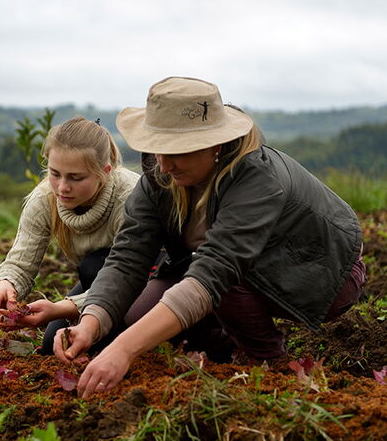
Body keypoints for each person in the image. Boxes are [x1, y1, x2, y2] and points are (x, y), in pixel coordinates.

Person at [54, 77, 366, 397]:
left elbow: (215, 271)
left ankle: (270, 364)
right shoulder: (159, 171)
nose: (164, 164)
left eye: (177, 152)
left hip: (321, 274)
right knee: (138, 317)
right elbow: (129, 255)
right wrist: (90, 323)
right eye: (157, 148)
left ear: (215, 144)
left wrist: (123, 350)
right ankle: (229, 344)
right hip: (228, 271)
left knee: (217, 288)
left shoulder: (256, 176)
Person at [0, 115, 140, 354]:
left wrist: (64, 308)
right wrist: (6, 285)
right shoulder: (45, 198)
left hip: (145, 283)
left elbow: (136, 277)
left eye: (76, 177)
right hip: (96, 282)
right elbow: (20, 261)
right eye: (55, 173)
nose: (62, 187)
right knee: (52, 345)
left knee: (93, 266)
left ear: (105, 172)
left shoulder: (130, 198)